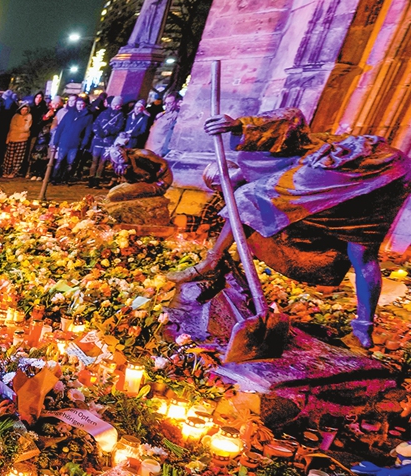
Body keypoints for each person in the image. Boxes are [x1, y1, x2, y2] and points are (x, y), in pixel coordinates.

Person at [169, 109, 411, 348]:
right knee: (362, 252)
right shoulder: (278, 180)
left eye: (220, 182)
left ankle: (210, 264)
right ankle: (363, 329)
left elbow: (291, 116)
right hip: (390, 173)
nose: (223, 190)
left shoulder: (253, 159)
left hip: (366, 165)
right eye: (218, 188)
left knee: (246, 200)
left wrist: (238, 125)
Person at [50, 97, 94, 184]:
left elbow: (88, 131)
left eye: (82, 104)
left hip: (75, 143)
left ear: (85, 105)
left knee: (70, 163)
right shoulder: (69, 114)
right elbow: (60, 127)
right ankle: (54, 178)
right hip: (64, 141)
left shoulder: (88, 116)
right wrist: (56, 140)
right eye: (78, 104)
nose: (80, 106)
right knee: (59, 161)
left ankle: (65, 178)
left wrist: (84, 142)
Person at [89, 96, 127, 187]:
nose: (116, 106)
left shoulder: (121, 116)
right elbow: (96, 123)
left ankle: (97, 180)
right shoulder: (104, 113)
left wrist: (107, 132)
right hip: (98, 140)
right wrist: (98, 132)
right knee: (94, 161)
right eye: (114, 104)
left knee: (102, 162)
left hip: (108, 142)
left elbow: (119, 128)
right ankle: (91, 179)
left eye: (118, 105)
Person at [3, 105, 33, 177]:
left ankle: (14, 172)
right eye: (23, 109)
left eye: (26, 110)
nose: (24, 111)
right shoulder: (15, 116)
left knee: (18, 157)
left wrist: (19, 129)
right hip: (13, 138)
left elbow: (27, 128)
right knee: (9, 157)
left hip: (23, 139)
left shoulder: (29, 116)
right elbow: (12, 127)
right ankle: (6, 171)